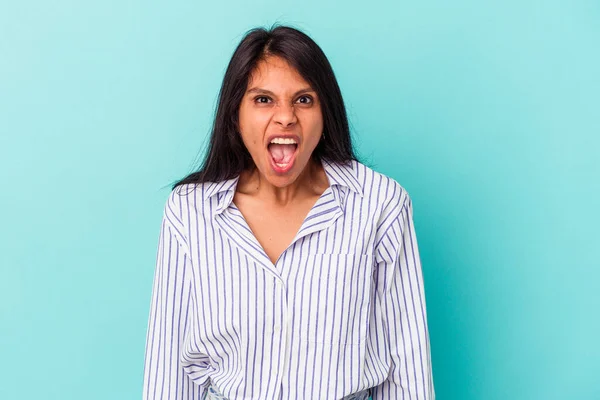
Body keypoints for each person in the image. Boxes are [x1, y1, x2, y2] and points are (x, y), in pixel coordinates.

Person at [143, 25, 435, 400]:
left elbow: (406, 368)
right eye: (263, 100)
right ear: (236, 114)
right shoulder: (189, 212)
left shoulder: (381, 205)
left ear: (325, 112)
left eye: (303, 100)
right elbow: (168, 374)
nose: (285, 117)